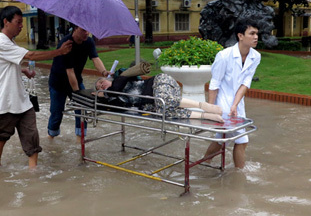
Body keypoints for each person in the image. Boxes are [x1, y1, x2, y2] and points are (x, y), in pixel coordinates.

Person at [0, 6, 72, 169]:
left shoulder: (9, 43)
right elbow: (31, 55)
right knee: (1, 138)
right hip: (5, 103)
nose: (21, 26)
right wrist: (59, 52)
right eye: (18, 22)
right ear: (6, 22)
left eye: (22, 22)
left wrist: (22, 70)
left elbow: (3, 67)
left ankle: (33, 172)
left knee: (32, 138)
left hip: (22, 102)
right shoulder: (0, 43)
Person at [202, 19, 261, 169]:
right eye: (252, 33)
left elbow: (245, 83)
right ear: (240, 36)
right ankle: (239, 174)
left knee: (224, 139)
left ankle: (204, 163)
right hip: (221, 102)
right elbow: (214, 84)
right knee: (240, 139)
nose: (256, 37)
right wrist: (210, 108)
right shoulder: (224, 56)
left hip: (237, 103)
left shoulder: (255, 57)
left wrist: (235, 104)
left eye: (257, 34)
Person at [47, 25, 111, 143]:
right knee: (57, 112)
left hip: (76, 79)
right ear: (75, 29)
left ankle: (80, 140)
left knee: (82, 110)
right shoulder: (66, 44)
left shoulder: (89, 42)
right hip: (58, 83)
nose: (87, 33)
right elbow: (70, 72)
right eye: (83, 30)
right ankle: (51, 137)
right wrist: (78, 94)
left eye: (88, 30)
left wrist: (104, 71)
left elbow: (95, 59)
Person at [94, 74, 224, 122]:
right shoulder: (114, 98)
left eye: (102, 82)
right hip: (157, 103)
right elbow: (115, 105)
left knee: (163, 99)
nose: (101, 85)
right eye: (99, 86)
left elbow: (115, 88)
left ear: (108, 79)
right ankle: (205, 116)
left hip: (160, 83)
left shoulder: (119, 79)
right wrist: (101, 95)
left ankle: (203, 105)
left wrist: (106, 91)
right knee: (164, 111)